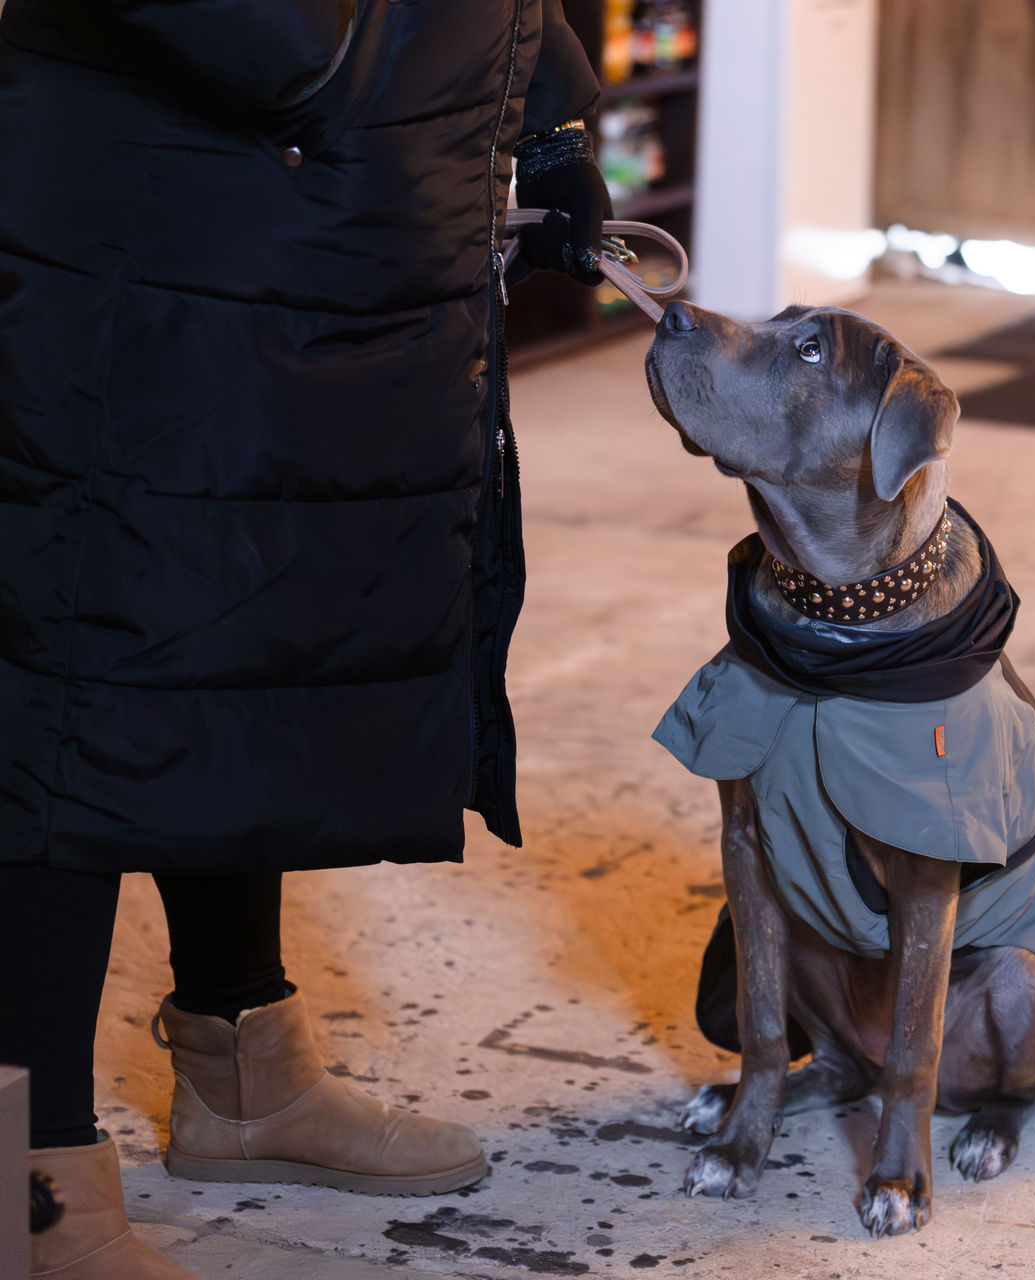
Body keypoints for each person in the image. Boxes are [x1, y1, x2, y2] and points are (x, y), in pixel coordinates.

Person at [0, 3, 613, 1276]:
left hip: (344, 212)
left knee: (246, 644)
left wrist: (545, 108)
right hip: (160, 206)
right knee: (82, 669)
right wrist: (327, 53)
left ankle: (245, 1073)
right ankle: (31, 1180)